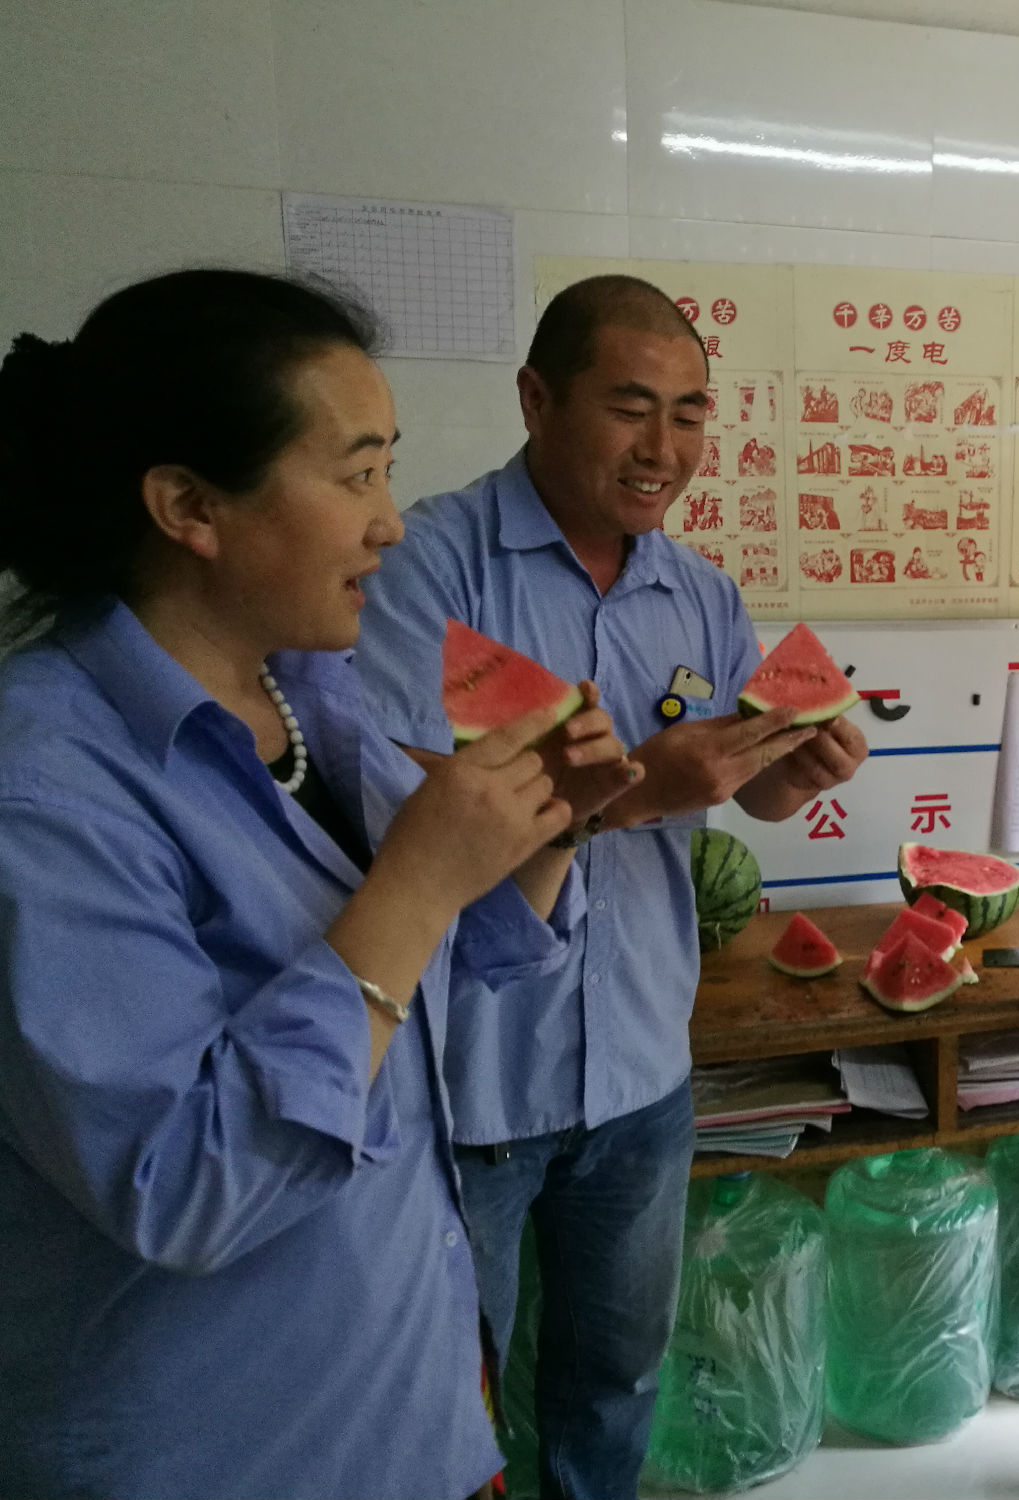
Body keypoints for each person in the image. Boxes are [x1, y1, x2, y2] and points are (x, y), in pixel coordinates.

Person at [0, 270, 641, 1500]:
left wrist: (551, 827)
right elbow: (181, 1185)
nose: (388, 524)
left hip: (404, 1408)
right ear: (189, 507)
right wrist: (415, 882)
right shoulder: (46, 793)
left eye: (388, 471)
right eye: (355, 477)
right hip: (229, 1450)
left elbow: (448, 968)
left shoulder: (309, 696)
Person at [352, 274, 867, 1500]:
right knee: (450, 1389)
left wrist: (792, 771)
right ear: (537, 399)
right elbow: (396, 819)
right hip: (470, 1073)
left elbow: (742, 792)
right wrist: (629, 793)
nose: (663, 449)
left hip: (641, 1066)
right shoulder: (425, 570)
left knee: (617, 1376)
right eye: (630, 408)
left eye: (689, 415)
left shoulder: (701, 593)